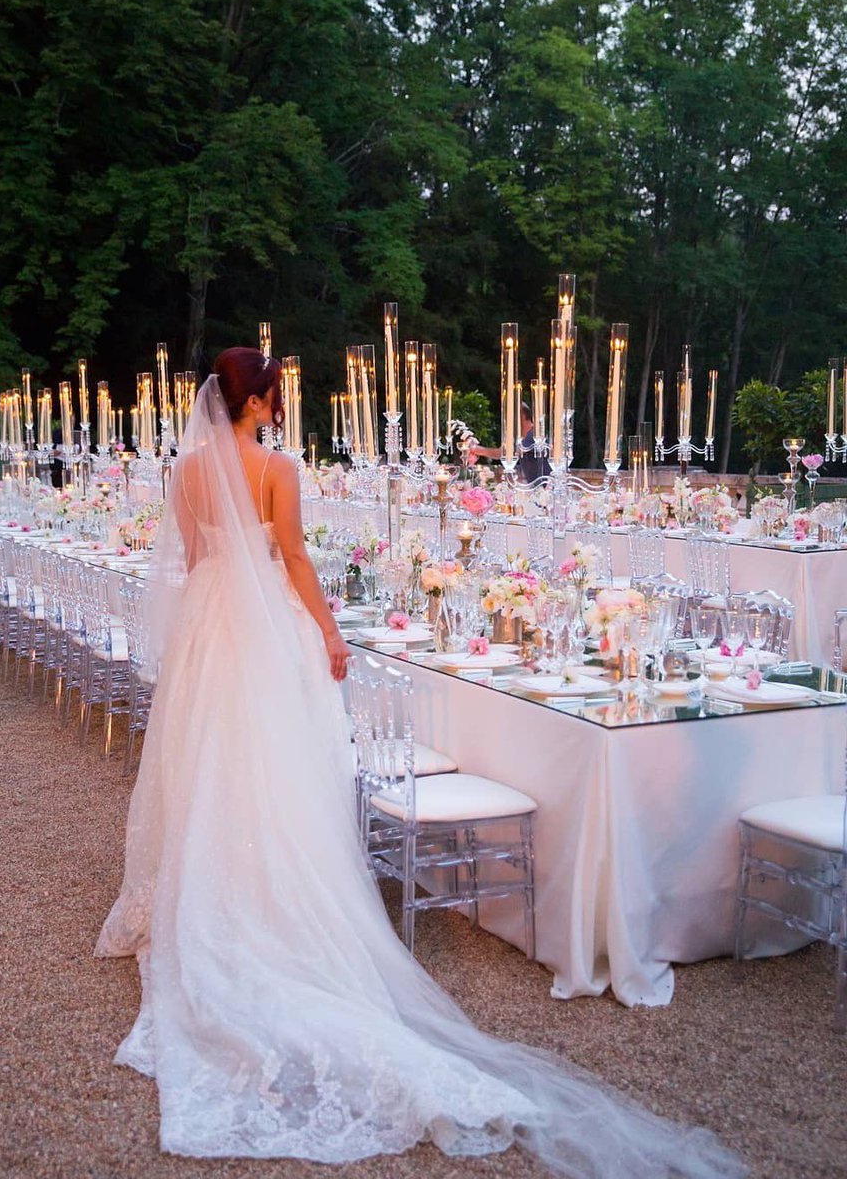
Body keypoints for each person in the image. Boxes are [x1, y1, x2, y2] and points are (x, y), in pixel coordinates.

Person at [96, 347, 742, 1177]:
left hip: (211, 626)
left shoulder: (185, 469)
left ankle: (208, 881)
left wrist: (210, 622)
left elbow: (190, 563)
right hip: (259, 626)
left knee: (209, 756)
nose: (280, 404)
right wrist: (328, 633)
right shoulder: (277, 468)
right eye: (275, 394)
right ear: (255, 400)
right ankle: (269, 891)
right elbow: (292, 559)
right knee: (272, 761)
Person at [467, 402, 551, 482]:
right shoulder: (521, 438)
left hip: (547, 489)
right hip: (537, 489)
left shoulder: (534, 435)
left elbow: (502, 453)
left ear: (521, 417)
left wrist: (474, 448)